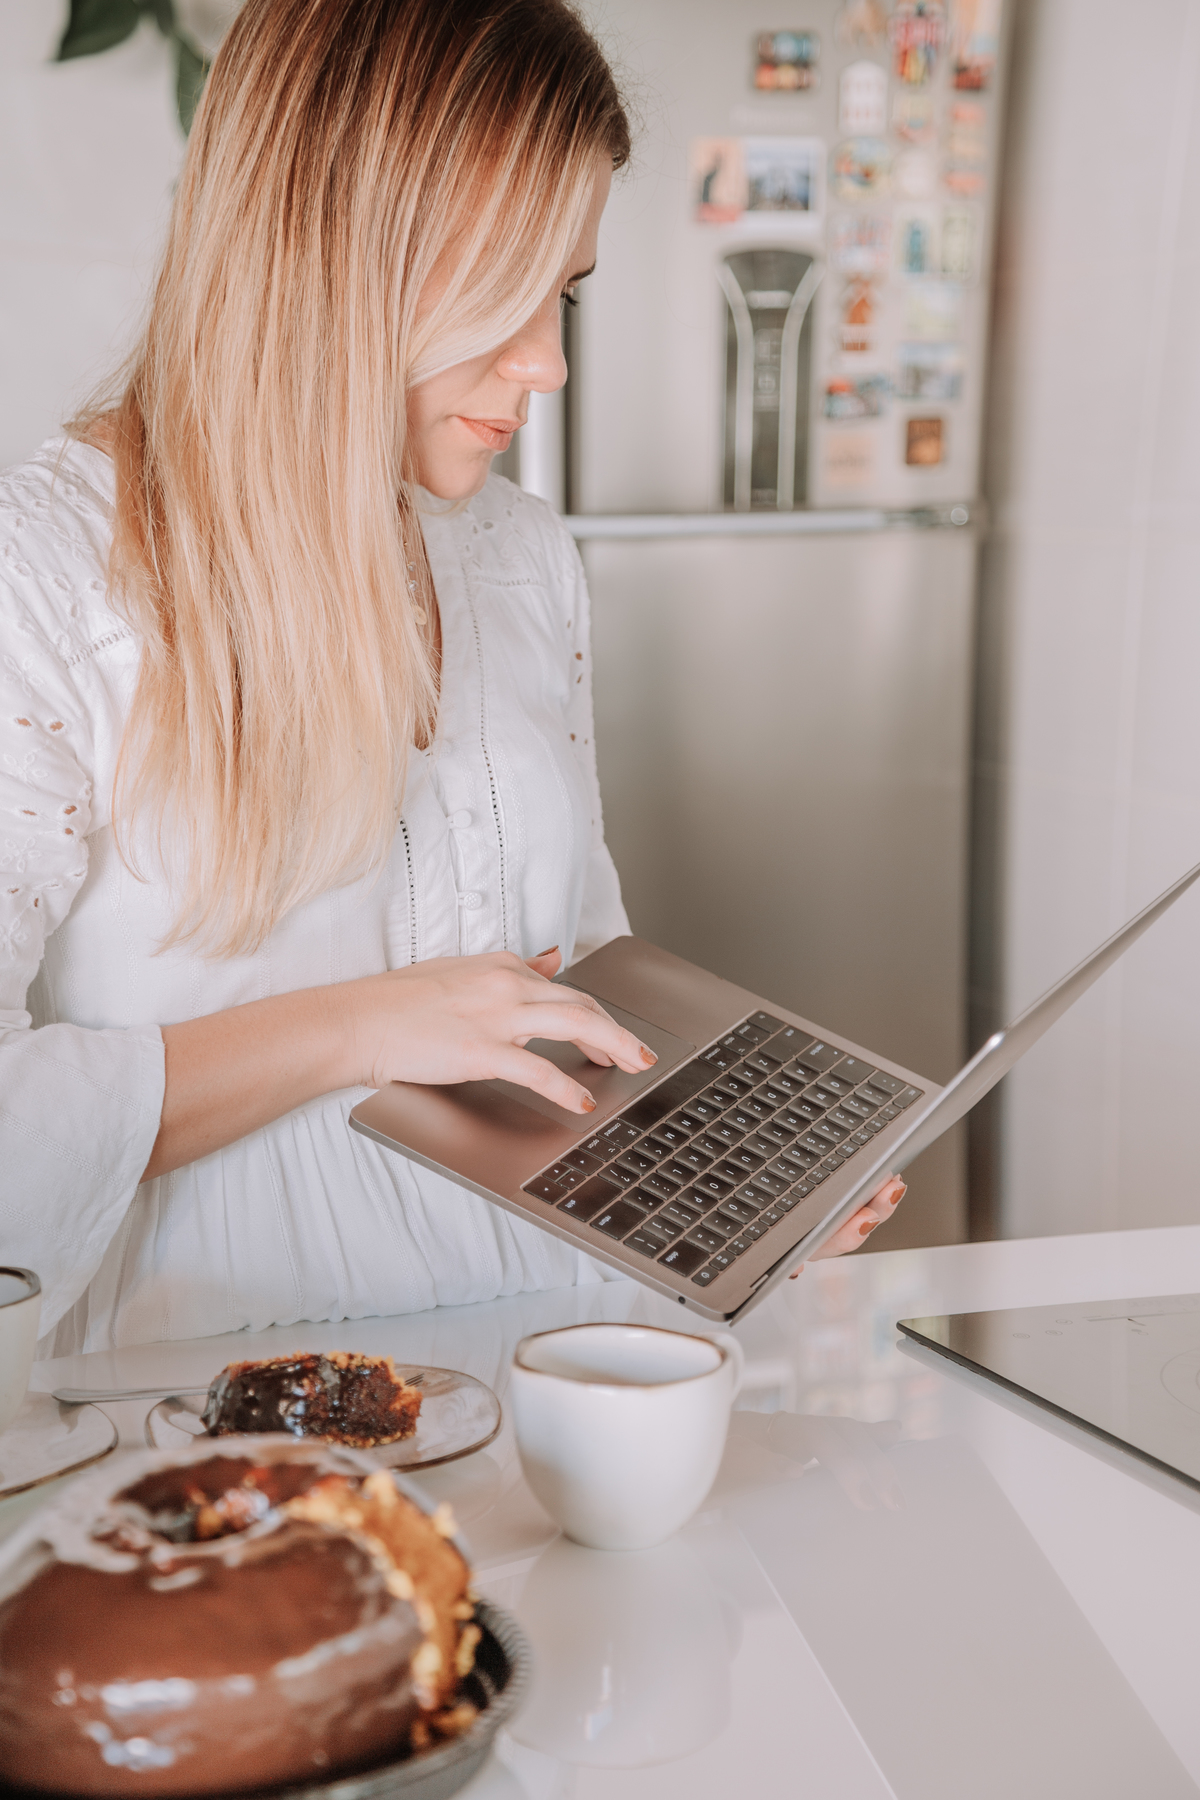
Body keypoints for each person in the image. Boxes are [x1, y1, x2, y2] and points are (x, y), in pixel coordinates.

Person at [0, 0, 904, 1358]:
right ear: (321, 251)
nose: (544, 360)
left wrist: (708, 1179)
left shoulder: (522, 557)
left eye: (568, 294)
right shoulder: (51, 572)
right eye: (499, 288)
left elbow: (573, 983)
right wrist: (359, 1027)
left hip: (566, 1362)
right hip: (207, 1403)